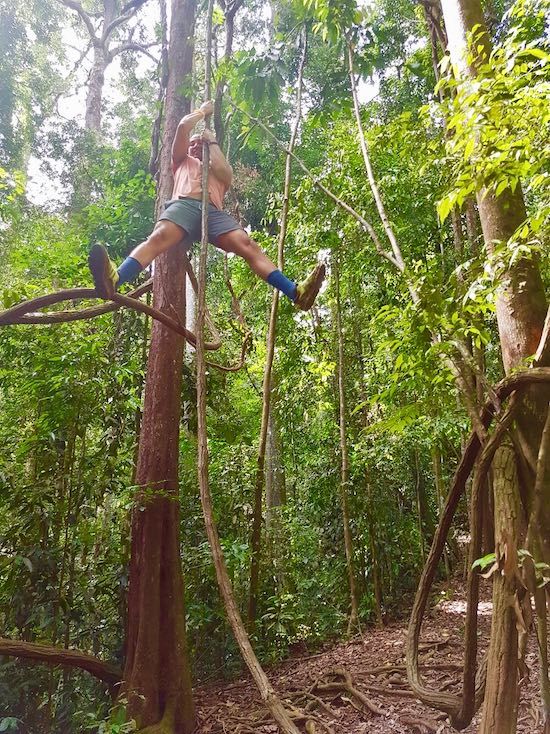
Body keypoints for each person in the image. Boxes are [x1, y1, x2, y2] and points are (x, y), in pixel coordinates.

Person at [88, 100, 325, 309]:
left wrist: (210, 142)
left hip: (213, 212)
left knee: (247, 244)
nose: (194, 146)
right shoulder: (181, 162)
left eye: (198, 144)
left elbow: (224, 170)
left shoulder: (218, 170)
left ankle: (295, 293)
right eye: (192, 144)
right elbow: (182, 128)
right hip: (185, 206)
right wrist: (202, 113)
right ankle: (116, 279)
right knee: (158, 238)